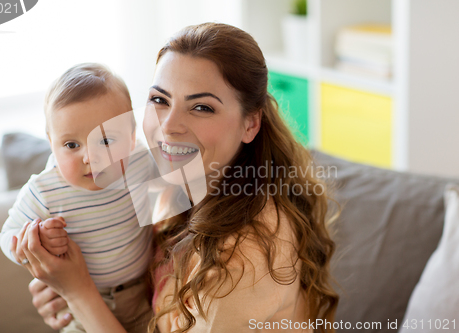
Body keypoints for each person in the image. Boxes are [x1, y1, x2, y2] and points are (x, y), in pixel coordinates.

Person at [19, 23, 339, 332]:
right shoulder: (176, 183)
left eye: (201, 107)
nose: (169, 126)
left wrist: (79, 293)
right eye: (159, 100)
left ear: (250, 124)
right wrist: (63, 288)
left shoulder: (243, 260)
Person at [0, 63, 155, 333]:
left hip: (144, 293)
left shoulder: (141, 161)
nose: (89, 157)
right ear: (51, 142)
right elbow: (7, 236)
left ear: (131, 138)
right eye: (71, 145)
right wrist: (32, 241)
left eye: (105, 141)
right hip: (79, 310)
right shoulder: (44, 190)